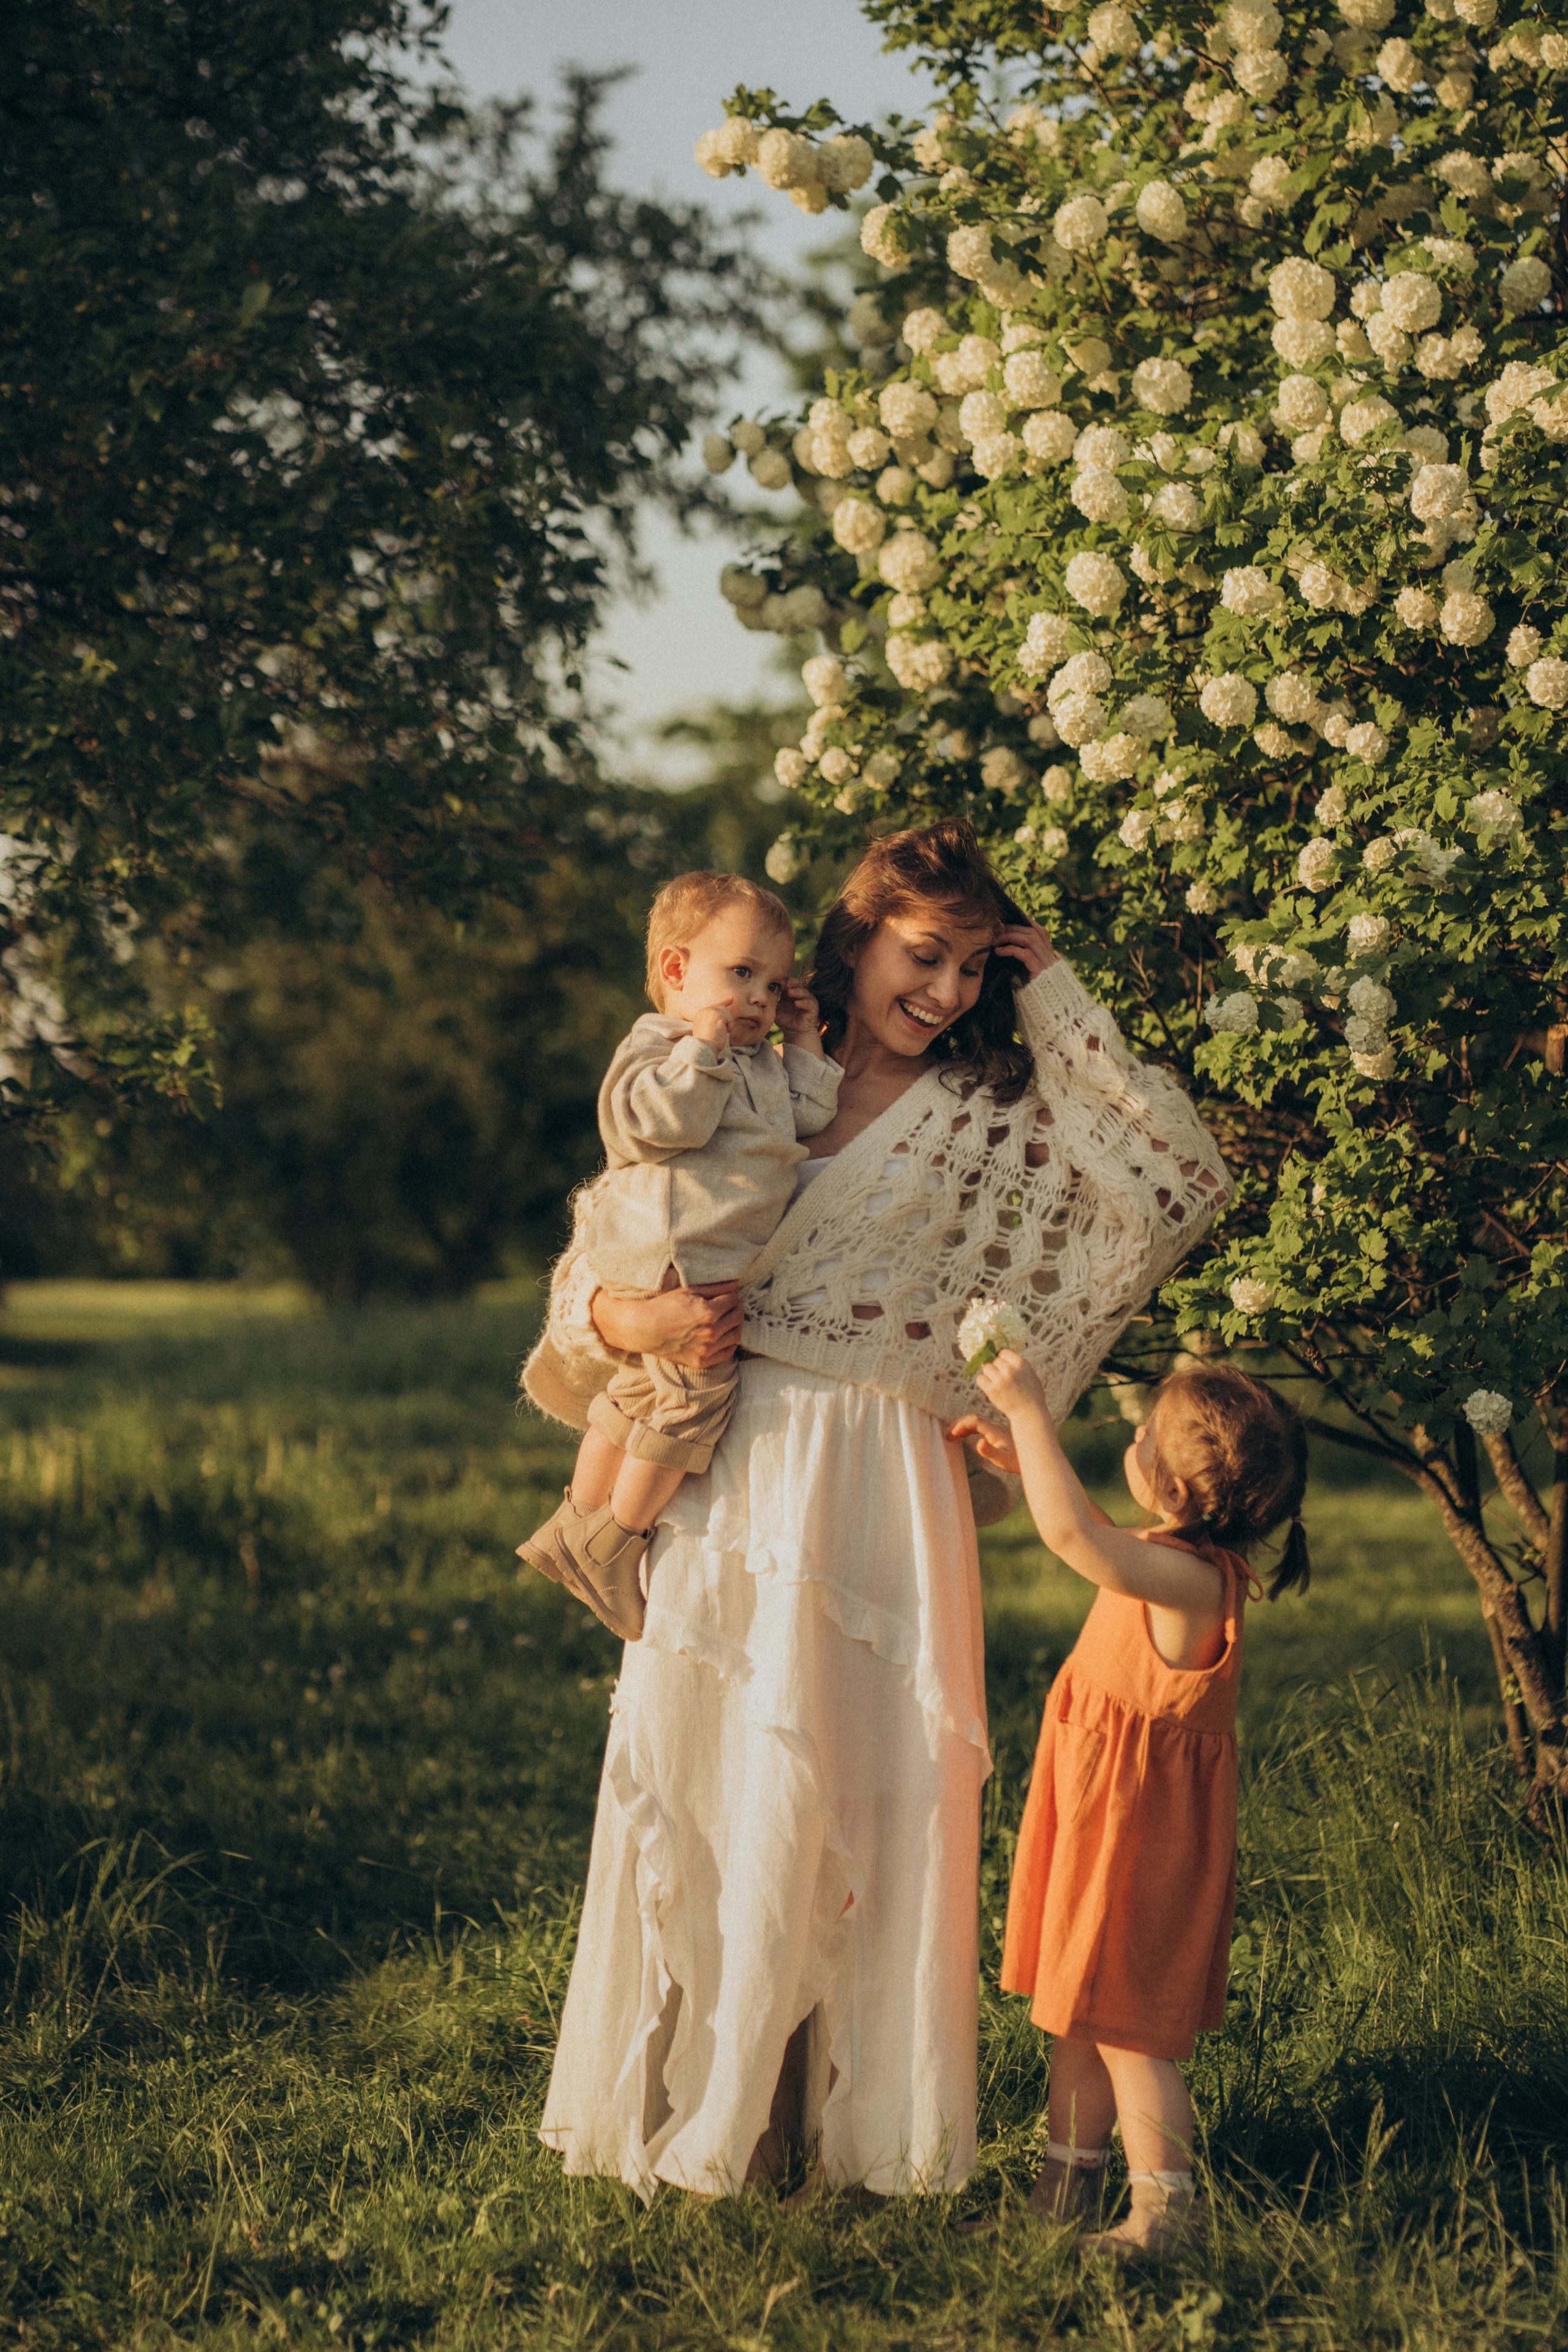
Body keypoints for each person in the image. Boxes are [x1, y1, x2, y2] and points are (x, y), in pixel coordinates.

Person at [521, 818, 1231, 2203]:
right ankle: (703, 2105)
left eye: (976, 967)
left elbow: (1173, 1180)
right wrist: (626, 1311)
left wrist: (1059, 993)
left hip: (880, 1479)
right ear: (851, 941)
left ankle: (849, 2121)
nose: (949, 991)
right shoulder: (723, 1068)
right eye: (926, 954)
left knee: (863, 1782)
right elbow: (601, 1251)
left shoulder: (987, 1117)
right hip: (726, 1458)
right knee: (714, 1766)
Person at [949, 1355, 1310, 2255]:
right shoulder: (1168, 1562)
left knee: (1130, 2031)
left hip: (1137, 1837)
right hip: (1104, 1822)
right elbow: (1101, 1539)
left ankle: (1166, 2213)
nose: (1135, 1438)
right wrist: (1032, 1463)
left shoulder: (1195, 1584)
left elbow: (1077, 1542)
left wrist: (1032, 1415)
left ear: (1178, 1484)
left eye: (1145, 1432)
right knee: (1084, 2011)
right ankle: (1064, 2195)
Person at [518, 872, 840, 1640]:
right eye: (740, 975)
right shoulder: (658, 1045)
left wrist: (803, 1043)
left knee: (637, 1395)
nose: (759, 997)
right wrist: (703, 1048)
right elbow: (647, 1128)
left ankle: (574, 1522)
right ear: (674, 971)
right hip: (673, 1252)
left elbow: (809, 1118)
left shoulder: (761, 1059)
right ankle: (613, 1543)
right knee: (695, 1400)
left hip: (708, 1255)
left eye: (772, 982)